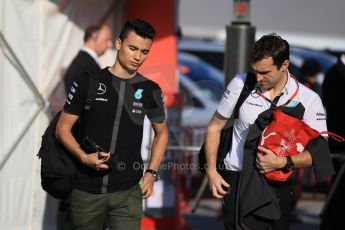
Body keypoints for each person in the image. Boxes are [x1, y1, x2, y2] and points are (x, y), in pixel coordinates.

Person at [204, 33, 334, 230]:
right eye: (255, 70)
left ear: (284, 65)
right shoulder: (241, 84)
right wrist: (211, 171)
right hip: (238, 180)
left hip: (279, 185)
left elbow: (319, 151)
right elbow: (215, 126)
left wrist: (284, 162)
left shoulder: (309, 99)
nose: (258, 77)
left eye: (265, 72)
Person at [56, 18, 169, 230]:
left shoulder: (150, 89)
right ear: (118, 43)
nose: (137, 57)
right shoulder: (88, 81)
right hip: (86, 190)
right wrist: (83, 156)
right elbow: (62, 129)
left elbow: (162, 134)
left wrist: (152, 173)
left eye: (144, 52)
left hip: (128, 192)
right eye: (133, 48)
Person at [63, 24, 112, 94]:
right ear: (94, 36)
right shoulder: (89, 66)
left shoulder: (80, 61)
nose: (110, 45)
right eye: (107, 40)